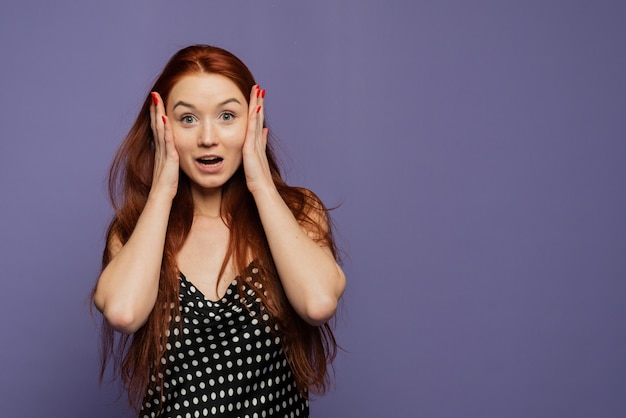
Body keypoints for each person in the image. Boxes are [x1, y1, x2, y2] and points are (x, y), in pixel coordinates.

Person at [92, 45, 346, 418]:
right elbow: (124, 313)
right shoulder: (134, 231)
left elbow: (318, 302)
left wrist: (261, 184)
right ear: (161, 125)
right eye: (188, 119)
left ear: (253, 120)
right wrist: (162, 189)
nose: (208, 138)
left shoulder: (298, 212)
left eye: (227, 116)